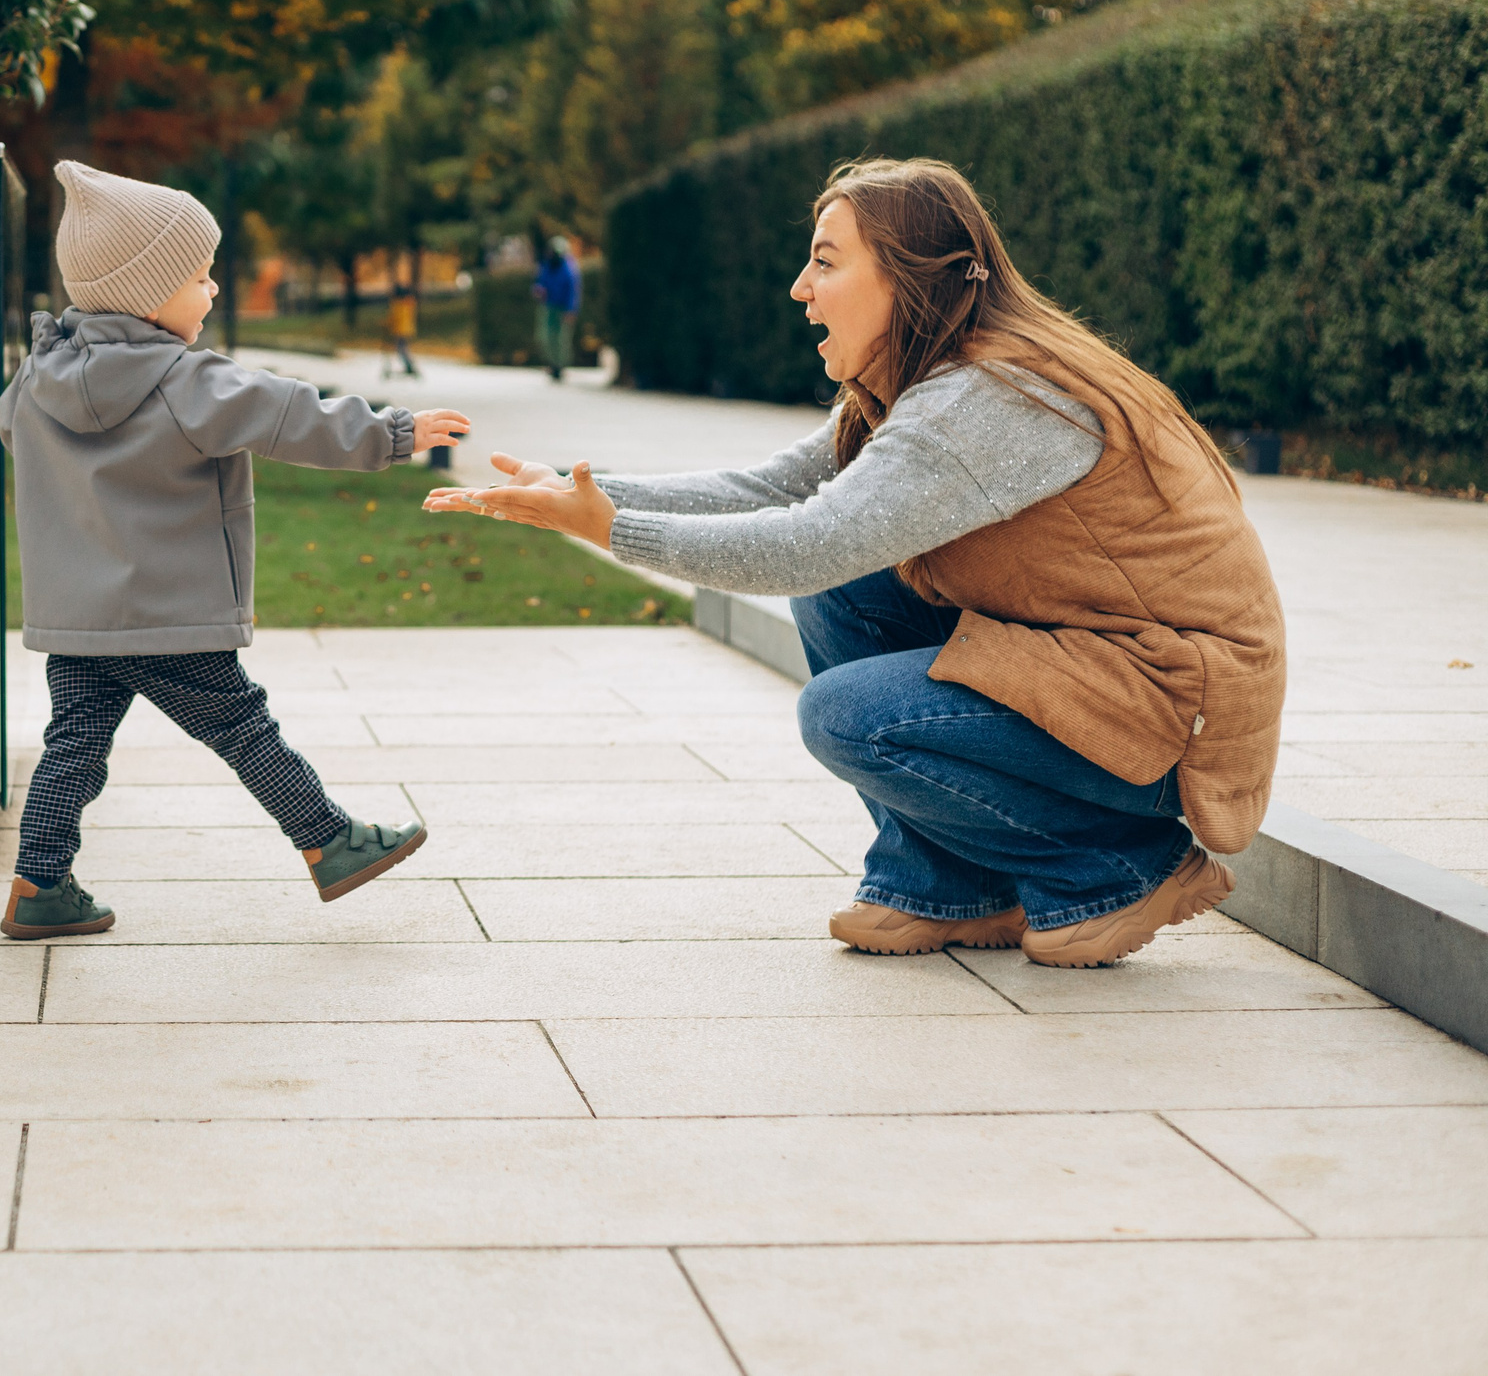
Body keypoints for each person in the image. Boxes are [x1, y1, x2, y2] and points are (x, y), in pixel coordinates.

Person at [429, 157, 1284, 968]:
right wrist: (582, 493)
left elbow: (808, 542)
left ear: (908, 279)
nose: (800, 288)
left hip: (1178, 713)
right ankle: (951, 885)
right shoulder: (927, 378)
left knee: (846, 714)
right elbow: (770, 489)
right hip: (1107, 673)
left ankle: (1119, 868)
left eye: (825, 261)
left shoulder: (988, 397)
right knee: (849, 592)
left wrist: (613, 530)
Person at [0, 160, 471, 940]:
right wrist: (391, 432)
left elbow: (11, 431)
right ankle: (328, 839)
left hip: (77, 614)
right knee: (243, 726)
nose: (213, 289)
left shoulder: (34, 381)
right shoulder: (185, 380)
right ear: (148, 295)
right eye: (199, 276)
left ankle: (37, 884)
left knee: (72, 745)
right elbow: (291, 415)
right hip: (169, 610)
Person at [530, 232, 579, 380]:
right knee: (545, 336)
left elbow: (573, 291)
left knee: (561, 339)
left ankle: (560, 366)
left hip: (562, 308)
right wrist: (538, 290)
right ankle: (551, 363)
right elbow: (539, 282)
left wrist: (571, 310)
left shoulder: (569, 269)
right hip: (548, 305)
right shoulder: (547, 265)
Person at [383, 276, 421, 377]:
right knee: (403, 348)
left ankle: (409, 365)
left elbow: (395, 318)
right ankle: (409, 364)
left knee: (401, 349)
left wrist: (387, 324)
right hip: (408, 330)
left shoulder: (398, 305)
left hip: (400, 330)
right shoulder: (408, 304)